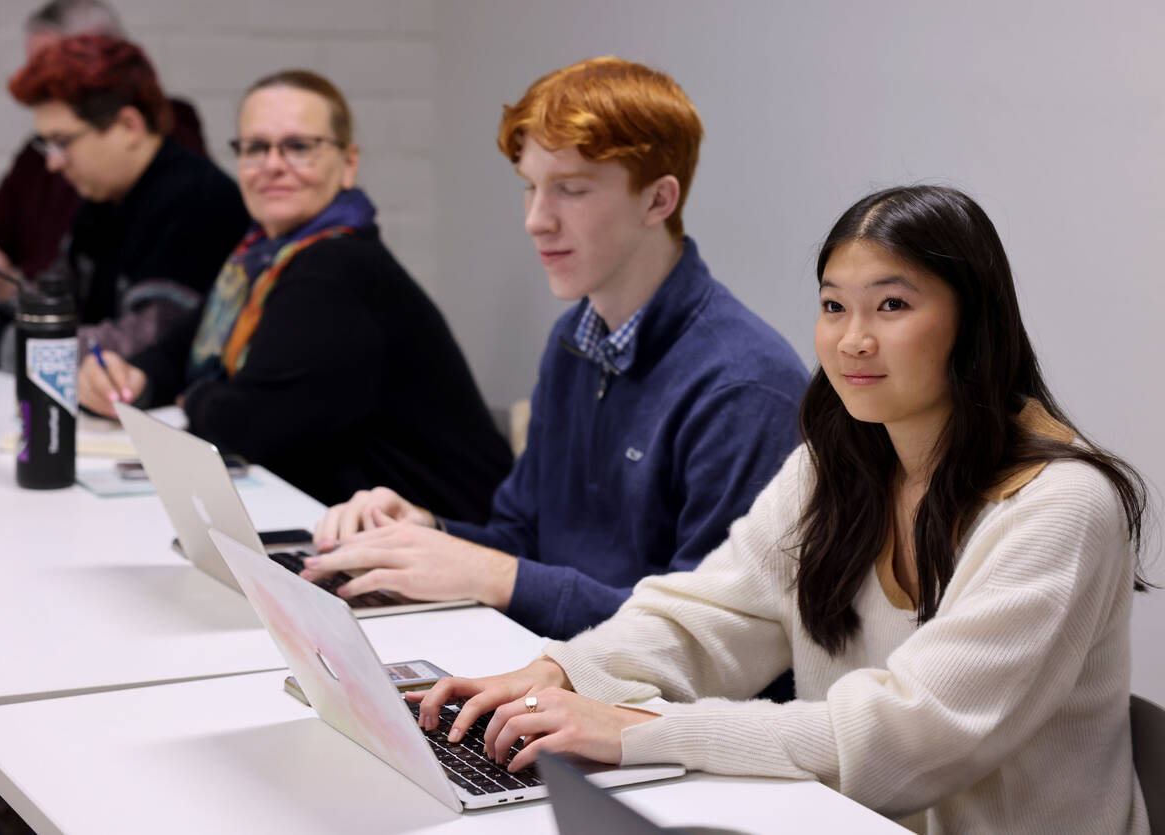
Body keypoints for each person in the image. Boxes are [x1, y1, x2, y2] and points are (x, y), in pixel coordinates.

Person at [407, 185, 1151, 833]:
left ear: (973, 321)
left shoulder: (1061, 506)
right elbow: (711, 613)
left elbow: (906, 739)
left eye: (892, 304)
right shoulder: (839, 461)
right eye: (833, 305)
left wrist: (639, 729)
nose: (853, 338)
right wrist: (563, 673)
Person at [306, 57, 809, 641]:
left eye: (570, 190)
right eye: (530, 188)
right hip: (558, 671)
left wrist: (499, 575)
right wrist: (428, 533)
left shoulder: (743, 387)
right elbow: (521, 540)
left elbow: (705, 640)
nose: (536, 221)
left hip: (652, 716)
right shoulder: (574, 340)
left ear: (658, 201)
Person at [76, 70, 512, 516]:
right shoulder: (259, 258)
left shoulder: (336, 268)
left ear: (348, 163)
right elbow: (174, 354)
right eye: (255, 148)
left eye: (299, 147)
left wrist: (199, 397)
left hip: (452, 545)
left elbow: (246, 427)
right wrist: (129, 379)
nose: (272, 164)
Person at [0, 34, 245, 370]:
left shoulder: (198, 202)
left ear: (129, 126)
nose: (53, 163)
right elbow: (59, 303)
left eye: (62, 141)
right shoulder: (106, 199)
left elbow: (142, 345)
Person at [0, 0, 206, 299]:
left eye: (59, 66)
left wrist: (6, 310)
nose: (42, 82)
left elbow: (138, 334)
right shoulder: (96, 192)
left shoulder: (174, 186)